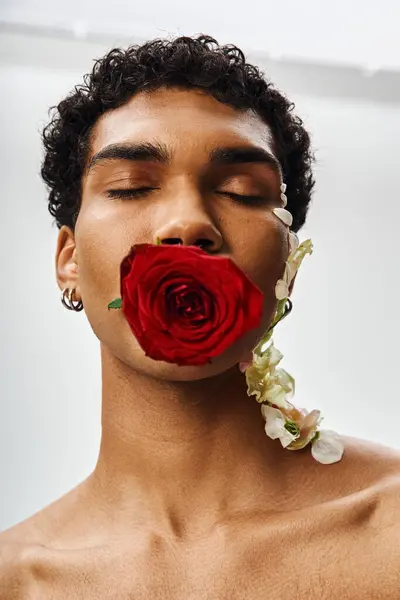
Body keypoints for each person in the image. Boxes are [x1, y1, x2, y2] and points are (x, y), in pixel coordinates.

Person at [1, 34, 399, 599]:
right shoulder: (15, 581)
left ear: (289, 264)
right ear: (69, 262)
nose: (188, 225)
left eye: (242, 191)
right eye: (130, 187)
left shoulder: (390, 530)